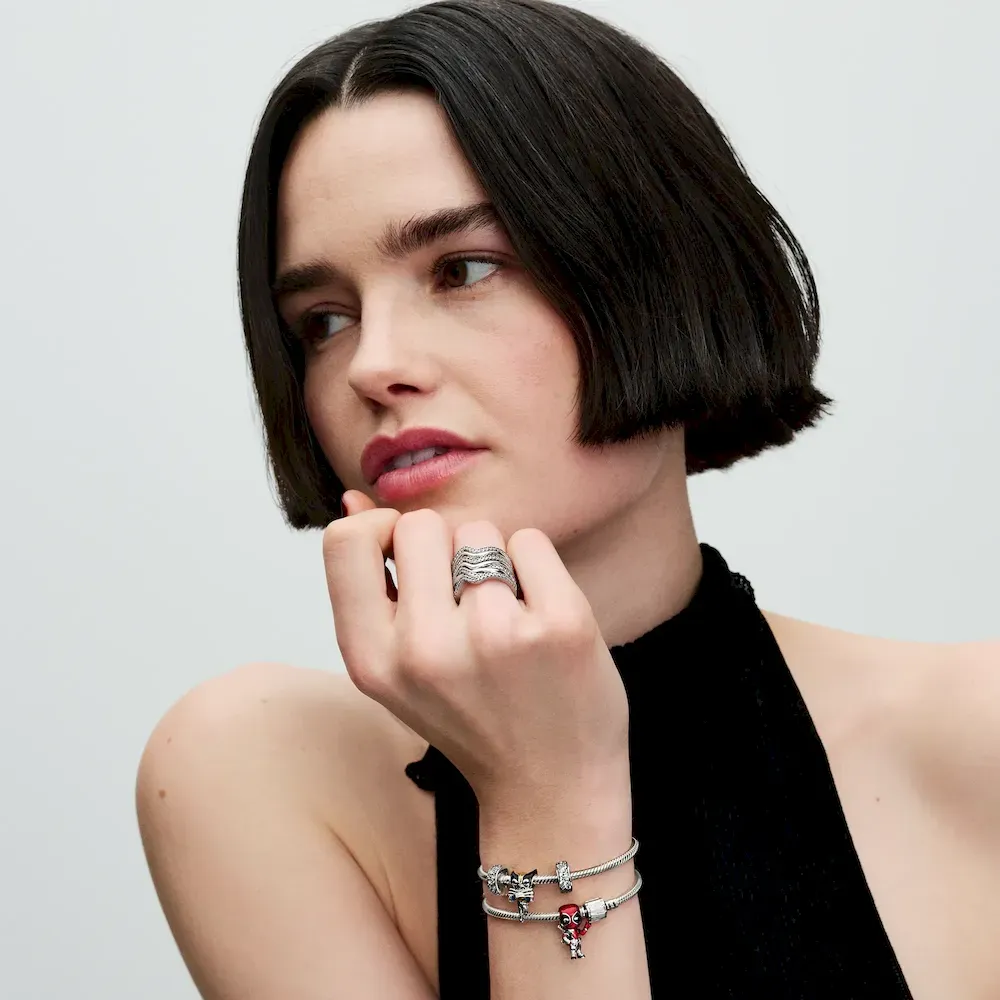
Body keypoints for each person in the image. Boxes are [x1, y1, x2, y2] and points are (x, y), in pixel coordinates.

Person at [134, 1, 1000, 997]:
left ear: (659, 277)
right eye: (323, 320)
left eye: (462, 269)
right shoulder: (258, 769)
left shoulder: (973, 733)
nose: (371, 364)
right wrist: (546, 793)